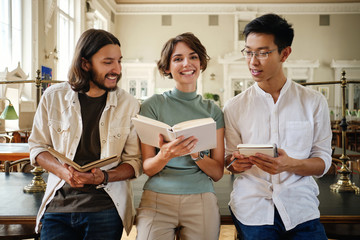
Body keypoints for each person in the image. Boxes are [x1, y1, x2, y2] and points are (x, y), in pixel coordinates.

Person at [223, 14, 332, 240]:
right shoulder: (234, 107)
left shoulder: (313, 102)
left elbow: (322, 162)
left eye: (263, 53)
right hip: (252, 208)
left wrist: (290, 164)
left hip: (301, 208)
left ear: (285, 53)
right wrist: (236, 163)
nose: (253, 61)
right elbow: (228, 161)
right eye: (249, 52)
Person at [28, 29, 142, 239]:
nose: (116, 69)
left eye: (119, 61)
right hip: (58, 208)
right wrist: (63, 172)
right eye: (108, 62)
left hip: (105, 209)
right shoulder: (53, 97)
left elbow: (134, 161)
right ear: (85, 63)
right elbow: (37, 147)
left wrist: (104, 176)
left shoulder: (129, 104)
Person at [135, 32, 224, 240]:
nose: (187, 63)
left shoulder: (213, 111)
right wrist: (164, 155)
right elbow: (148, 167)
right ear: (167, 67)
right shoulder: (152, 106)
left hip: (201, 196)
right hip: (157, 197)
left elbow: (218, 173)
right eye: (178, 59)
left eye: (193, 57)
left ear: (201, 64)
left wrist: (195, 154)